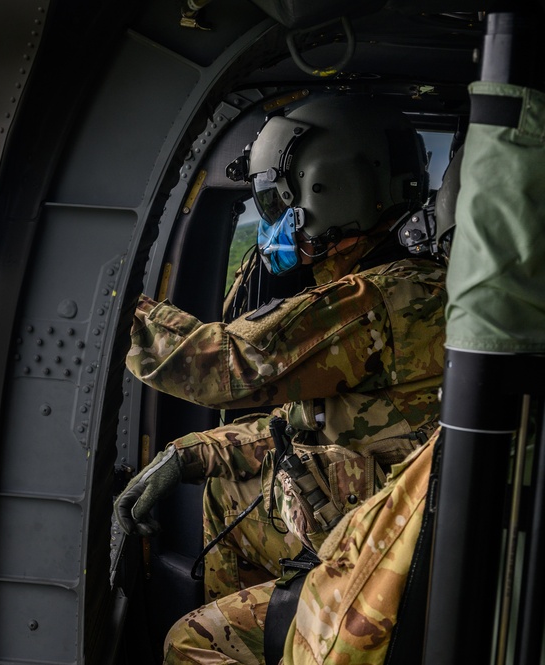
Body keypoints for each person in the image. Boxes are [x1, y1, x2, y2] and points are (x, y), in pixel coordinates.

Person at [115, 95, 448, 664]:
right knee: (225, 490)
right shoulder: (410, 285)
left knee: (188, 643)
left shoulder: (378, 300)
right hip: (384, 516)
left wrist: (113, 311)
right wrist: (196, 452)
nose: (267, 221)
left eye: (273, 201)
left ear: (327, 190)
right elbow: (310, 427)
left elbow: (226, 367)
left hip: (389, 548)